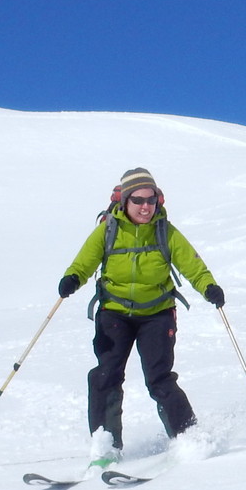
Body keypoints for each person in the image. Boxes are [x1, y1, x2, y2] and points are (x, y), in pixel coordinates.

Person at [56, 167, 225, 458]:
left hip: (157, 313)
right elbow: (83, 262)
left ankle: (189, 437)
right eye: (138, 200)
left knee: (159, 378)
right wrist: (72, 278)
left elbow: (193, 265)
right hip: (114, 313)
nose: (146, 207)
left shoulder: (165, 231)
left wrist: (209, 287)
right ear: (125, 202)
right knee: (105, 375)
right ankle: (106, 445)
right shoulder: (108, 230)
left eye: (151, 200)